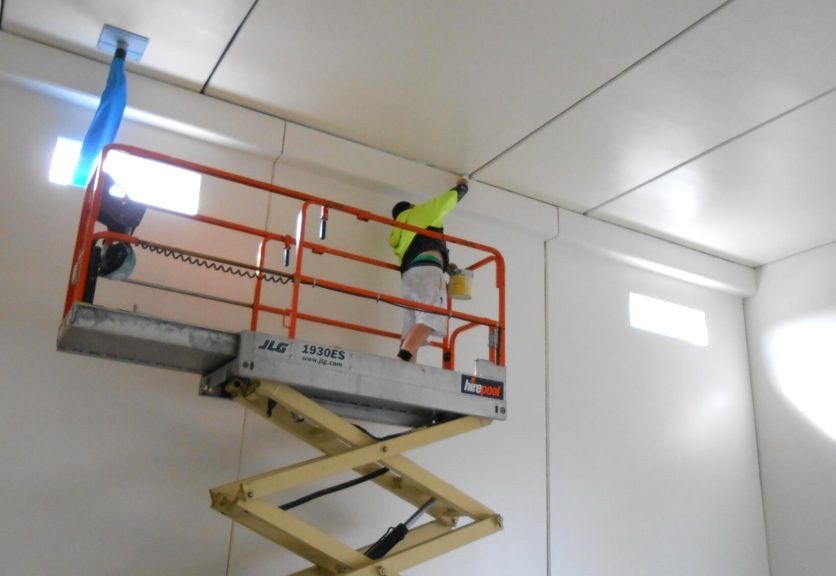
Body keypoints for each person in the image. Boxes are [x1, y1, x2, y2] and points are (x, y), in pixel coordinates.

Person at [389, 177, 469, 362]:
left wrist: (445, 265)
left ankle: (406, 366)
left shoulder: (399, 232)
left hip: (409, 276)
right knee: (431, 316)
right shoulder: (419, 213)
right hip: (428, 271)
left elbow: (418, 248)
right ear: (410, 207)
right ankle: (403, 358)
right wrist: (461, 188)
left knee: (411, 322)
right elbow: (443, 203)